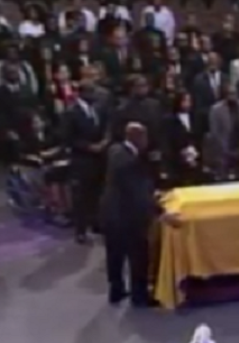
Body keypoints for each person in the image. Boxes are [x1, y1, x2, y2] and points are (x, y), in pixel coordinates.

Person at [99, 123, 164, 307]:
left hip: (109, 212)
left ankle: (116, 290)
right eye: (145, 137)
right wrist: (159, 210)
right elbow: (137, 193)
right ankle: (139, 295)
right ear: (138, 137)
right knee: (138, 256)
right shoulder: (130, 162)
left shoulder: (115, 150)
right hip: (127, 217)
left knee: (115, 254)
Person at [62, 80, 109, 244]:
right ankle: (80, 230)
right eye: (91, 92)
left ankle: (97, 223)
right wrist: (89, 147)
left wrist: (104, 141)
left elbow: (104, 127)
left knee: (97, 193)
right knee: (81, 196)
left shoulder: (97, 109)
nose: (95, 95)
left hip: (99, 158)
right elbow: (69, 138)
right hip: (82, 160)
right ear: (82, 93)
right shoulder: (71, 112)